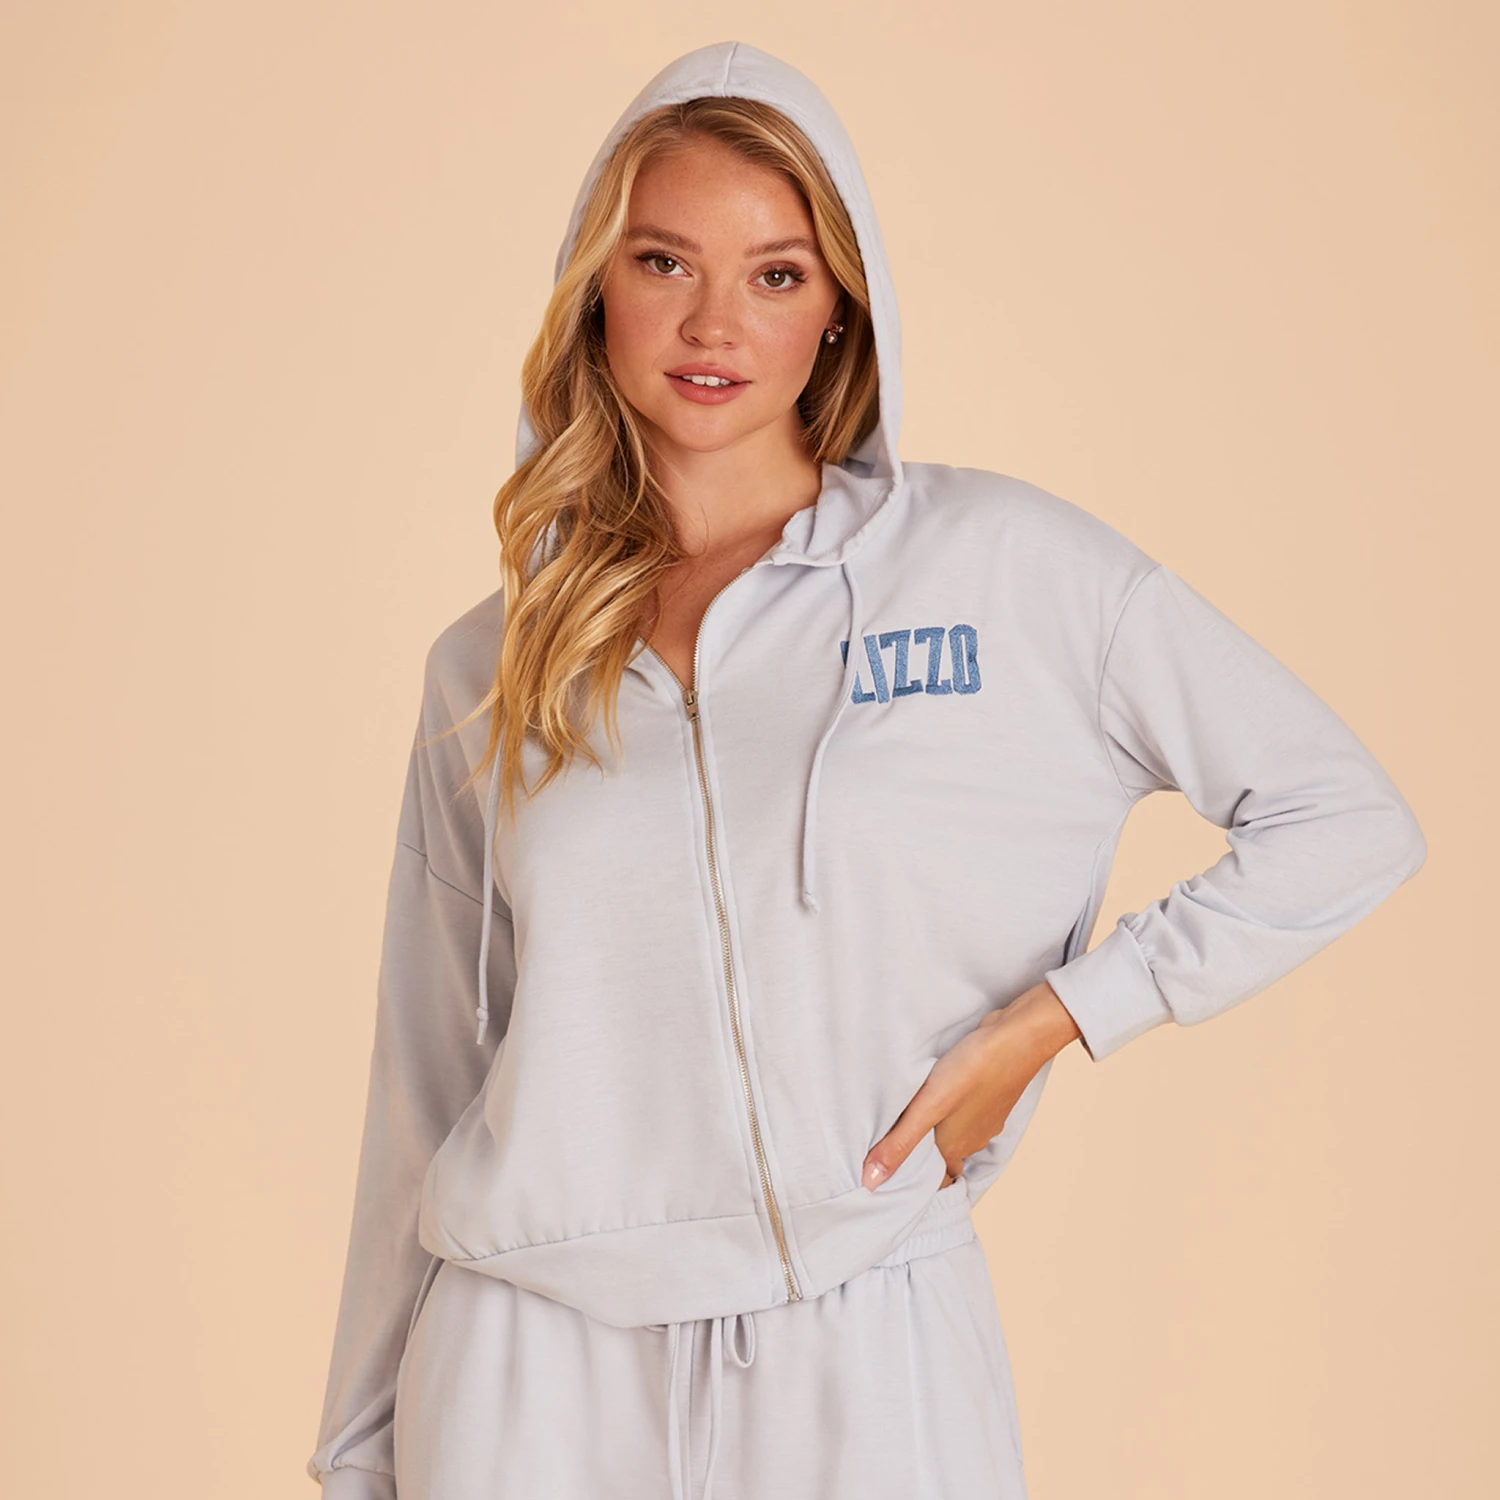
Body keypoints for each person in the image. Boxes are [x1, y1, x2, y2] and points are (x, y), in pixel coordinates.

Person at [305, 38, 1427, 1500]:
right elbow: (425, 1073)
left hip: (866, 1329)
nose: (715, 323)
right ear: (596, 288)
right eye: (663, 262)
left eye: (776, 274)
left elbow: (1344, 818)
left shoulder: (1001, 571)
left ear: (841, 305)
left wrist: (1057, 1020)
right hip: (530, 1364)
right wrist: (356, 1458)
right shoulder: (497, 658)